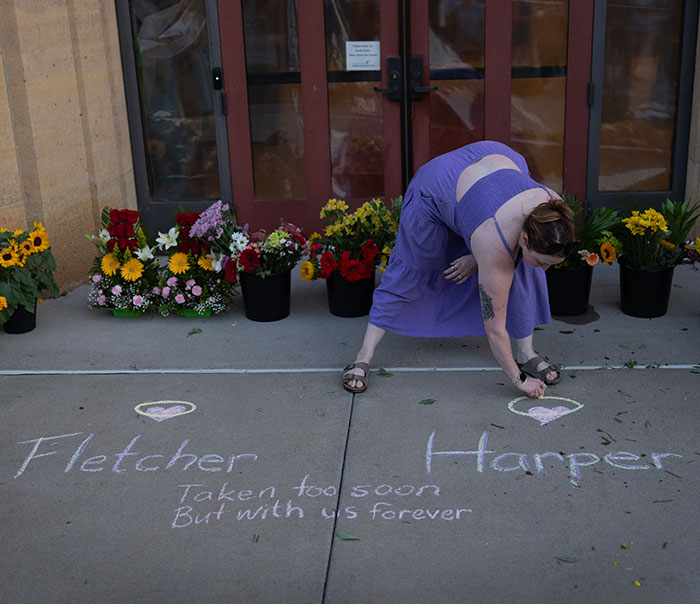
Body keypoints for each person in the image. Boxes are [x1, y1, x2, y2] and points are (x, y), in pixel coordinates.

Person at [342, 140, 577, 399]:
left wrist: (478, 259)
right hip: (438, 185)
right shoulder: (492, 236)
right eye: (543, 261)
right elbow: (496, 328)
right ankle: (363, 356)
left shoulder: (555, 214)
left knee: (526, 271)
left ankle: (526, 353)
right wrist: (518, 379)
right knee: (411, 272)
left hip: (494, 163)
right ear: (524, 239)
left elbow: (502, 239)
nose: (545, 269)